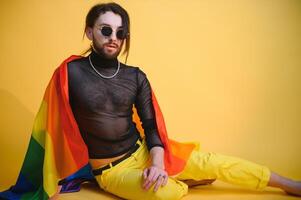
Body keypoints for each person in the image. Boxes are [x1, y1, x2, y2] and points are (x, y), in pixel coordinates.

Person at [1, 2, 300, 200]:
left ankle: (287, 184)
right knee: (161, 193)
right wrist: (57, 173)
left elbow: (151, 126)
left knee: (215, 161)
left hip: (144, 152)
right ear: (90, 32)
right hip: (112, 172)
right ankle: (184, 181)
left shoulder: (135, 76)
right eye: (106, 30)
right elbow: (50, 125)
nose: (113, 37)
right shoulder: (69, 73)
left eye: (121, 32)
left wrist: (157, 163)